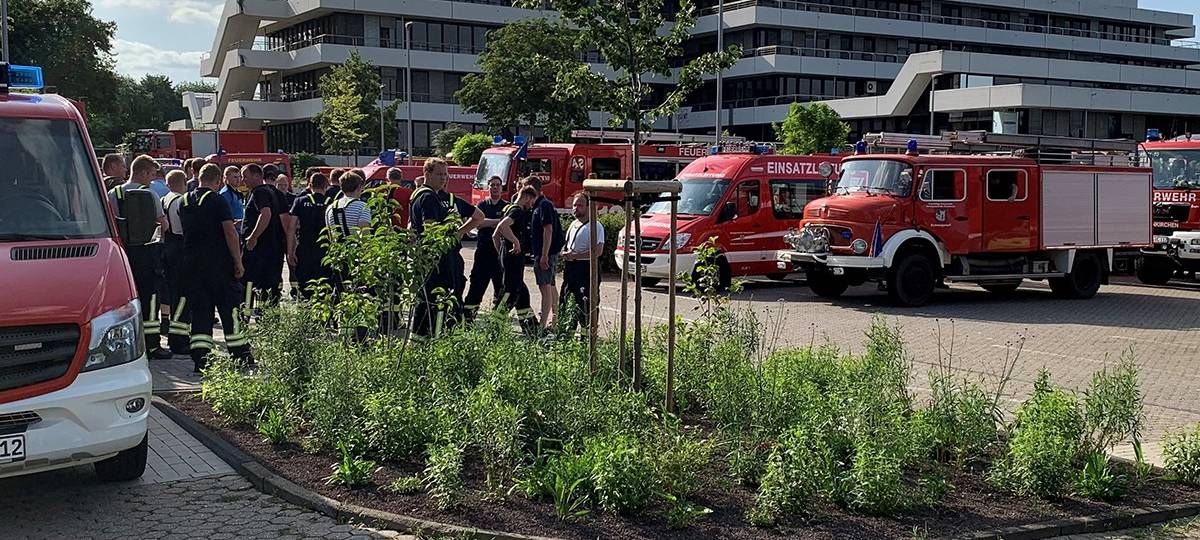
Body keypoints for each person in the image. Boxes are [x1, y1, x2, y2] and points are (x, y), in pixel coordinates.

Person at [180, 164, 251, 373]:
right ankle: (240, 355)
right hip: (218, 264)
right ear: (218, 180)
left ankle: (201, 359)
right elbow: (230, 232)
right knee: (230, 310)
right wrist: (238, 261)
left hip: (193, 264)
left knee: (201, 312)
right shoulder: (217, 200)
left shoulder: (184, 201)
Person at [408, 158, 484, 337]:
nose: (443, 178)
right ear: (427, 174)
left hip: (438, 257)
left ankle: (424, 339)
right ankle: (440, 339)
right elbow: (431, 230)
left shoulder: (428, 196)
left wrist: (458, 232)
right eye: (439, 174)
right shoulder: (427, 197)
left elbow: (479, 216)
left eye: (445, 175)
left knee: (430, 300)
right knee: (443, 299)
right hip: (439, 258)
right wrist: (453, 231)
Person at [108, 155, 172, 360]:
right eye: (152, 175)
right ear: (143, 172)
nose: (153, 179)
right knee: (151, 298)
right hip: (148, 252)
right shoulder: (150, 194)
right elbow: (164, 225)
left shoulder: (113, 193)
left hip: (123, 254)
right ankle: (152, 345)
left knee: (125, 299)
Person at [492, 185, 540, 334]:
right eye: (531, 202)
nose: (531, 206)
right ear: (526, 197)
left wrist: (501, 252)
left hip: (507, 257)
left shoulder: (507, 208)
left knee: (522, 294)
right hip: (514, 259)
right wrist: (516, 241)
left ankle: (532, 329)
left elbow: (495, 236)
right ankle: (494, 327)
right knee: (511, 293)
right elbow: (502, 226)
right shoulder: (517, 211)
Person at [241, 163, 287, 307]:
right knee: (268, 286)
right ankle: (267, 317)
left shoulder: (259, 192)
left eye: (245, 176)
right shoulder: (271, 192)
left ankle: (245, 315)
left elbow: (265, 213)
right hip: (272, 249)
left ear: (257, 176)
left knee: (248, 283)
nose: (243, 180)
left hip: (257, 249)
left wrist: (253, 237)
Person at [560, 192, 604, 333]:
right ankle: (566, 334)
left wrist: (576, 256)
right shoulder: (573, 224)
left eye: (580, 205)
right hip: (570, 269)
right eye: (574, 205)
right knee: (566, 301)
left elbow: (598, 251)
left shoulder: (595, 226)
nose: (576, 208)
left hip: (586, 270)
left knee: (585, 304)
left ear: (589, 207)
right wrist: (564, 253)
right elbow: (567, 246)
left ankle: (587, 338)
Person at [463, 175, 506, 320]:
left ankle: (497, 323)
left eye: (497, 185)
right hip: (483, 253)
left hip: (499, 254)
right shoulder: (482, 205)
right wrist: (499, 222)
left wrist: (488, 222)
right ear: (488, 187)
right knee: (476, 287)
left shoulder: (506, 207)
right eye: (492, 185)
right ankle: (468, 320)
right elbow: (477, 223)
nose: (495, 188)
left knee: (501, 289)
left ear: (502, 188)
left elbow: (509, 224)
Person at [527, 177, 565, 329]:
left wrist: (544, 255)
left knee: (545, 287)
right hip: (546, 252)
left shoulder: (543, 205)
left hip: (545, 253)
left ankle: (542, 324)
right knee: (550, 285)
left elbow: (548, 229)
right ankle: (555, 321)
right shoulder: (540, 204)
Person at [287, 172, 333, 299]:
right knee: (326, 285)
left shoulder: (300, 201)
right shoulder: (332, 202)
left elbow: (291, 228)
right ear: (326, 186)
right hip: (325, 250)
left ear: (309, 185)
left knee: (305, 284)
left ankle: (307, 308)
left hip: (305, 248)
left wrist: (290, 251)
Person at [160, 171, 191, 354]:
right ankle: (179, 339)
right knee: (182, 295)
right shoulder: (180, 200)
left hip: (167, 248)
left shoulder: (165, 198)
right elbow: (181, 229)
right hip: (179, 249)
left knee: (172, 293)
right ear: (184, 182)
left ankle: (175, 335)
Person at [219, 165, 246, 233]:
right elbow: (224, 214)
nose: (238, 179)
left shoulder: (238, 192)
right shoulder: (225, 194)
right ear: (226, 178)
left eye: (239, 177)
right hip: (232, 230)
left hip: (240, 229)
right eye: (235, 177)